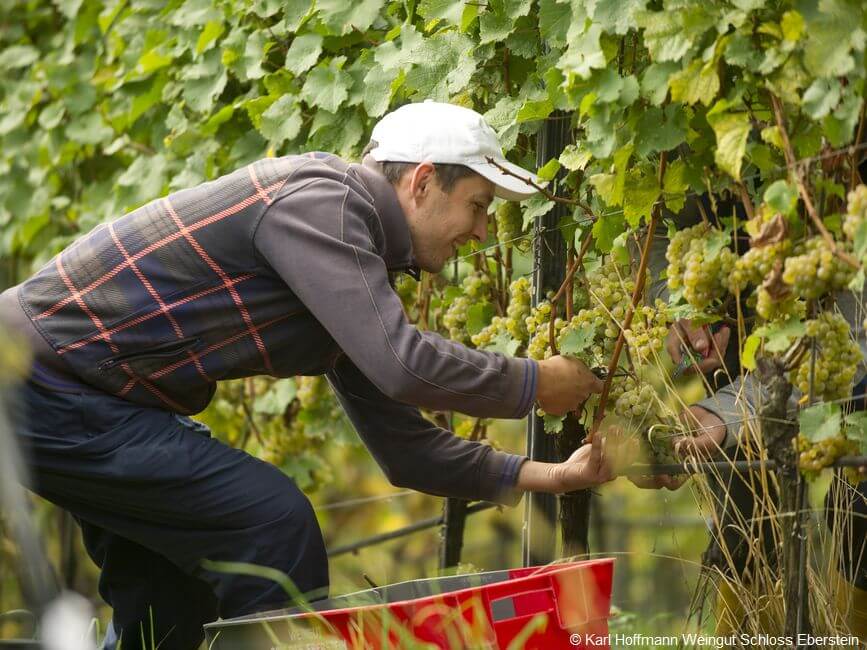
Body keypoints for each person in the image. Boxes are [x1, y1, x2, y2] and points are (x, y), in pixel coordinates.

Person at [0, 101, 612, 649]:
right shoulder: (324, 200)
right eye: (477, 205)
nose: (481, 232)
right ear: (424, 182)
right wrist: (535, 382)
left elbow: (407, 451)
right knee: (270, 524)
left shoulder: (345, 260)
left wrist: (552, 475)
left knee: (170, 603)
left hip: (88, 395)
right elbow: (403, 365)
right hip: (42, 378)